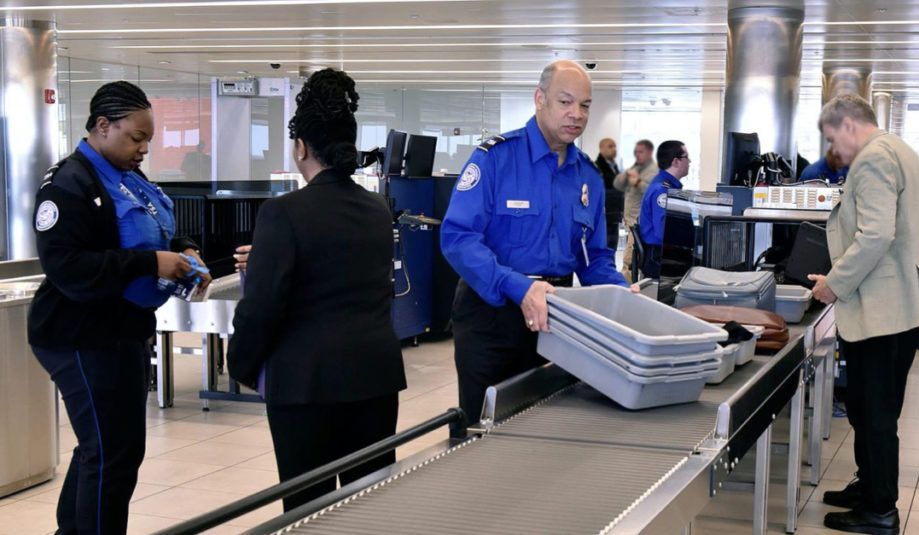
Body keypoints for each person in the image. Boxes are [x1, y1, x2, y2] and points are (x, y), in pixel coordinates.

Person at [28, 81, 211, 535]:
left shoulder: (129, 179)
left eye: (148, 138)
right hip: (79, 335)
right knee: (111, 452)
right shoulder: (68, 185)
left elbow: (156, 232)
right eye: (137, 138)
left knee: (110, 446)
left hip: (122, 332)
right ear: (102, 126)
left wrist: (185, 252)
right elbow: (69, 268)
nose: (144, 148)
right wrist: (151, 262)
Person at [226, 69, 406, 512]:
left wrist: (241, 365)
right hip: (374, 377)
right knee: (369, 503)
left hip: (307, 386)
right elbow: (344, 266)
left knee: (310, 508)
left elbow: (263, 306)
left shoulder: (282, 213)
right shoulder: (377, 208)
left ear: (301, 147)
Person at [440, 60, 628, 426]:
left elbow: (594, 259)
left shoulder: (587, 176)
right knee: (483, 435)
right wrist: (519, 287)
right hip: (492, 316)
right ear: (539, 99)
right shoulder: (496, 158)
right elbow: (457, 238)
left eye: (585, 105)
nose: (576, 114)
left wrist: (621, 294)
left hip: (555, 320)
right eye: (565, 102)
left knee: (544, 431)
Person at [807, 94, 919, 535]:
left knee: (876, 413)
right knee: (868, 409)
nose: (836, 152)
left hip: (882, 311)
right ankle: (869, 487)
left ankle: (880, 511)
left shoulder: (871, 159)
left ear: (848, 125)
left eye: (833, 139)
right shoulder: (903, 152)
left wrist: (834, 283)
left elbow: (875, 235)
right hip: (900, 304)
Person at [637, 140, 690, 278]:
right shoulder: (662, 190)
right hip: (659, 259)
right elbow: (664, 232)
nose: (689, 161)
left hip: (663, 254)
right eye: (686, 157)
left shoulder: (667, 186)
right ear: (676, 161)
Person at [614, 139, 658, 282]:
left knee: (629, 259)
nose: (637, 155)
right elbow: (618, 185)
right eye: (636, 152)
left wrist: (638, 183)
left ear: (650, 152)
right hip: (630, 220)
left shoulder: (654, 171)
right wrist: (625, 175)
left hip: (640, 222)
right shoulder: (636, 168)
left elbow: (653, 193)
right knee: (633, 258)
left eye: (641, 152)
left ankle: (626, 288)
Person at [594, 138, 624, 252]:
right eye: (610, 146)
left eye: (615, 146)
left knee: (612, 248)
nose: (614, 149)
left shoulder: (615, 168)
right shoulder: (596, 168)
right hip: (603, 215)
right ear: (601, 149)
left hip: (614, 214)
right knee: (603, 249)